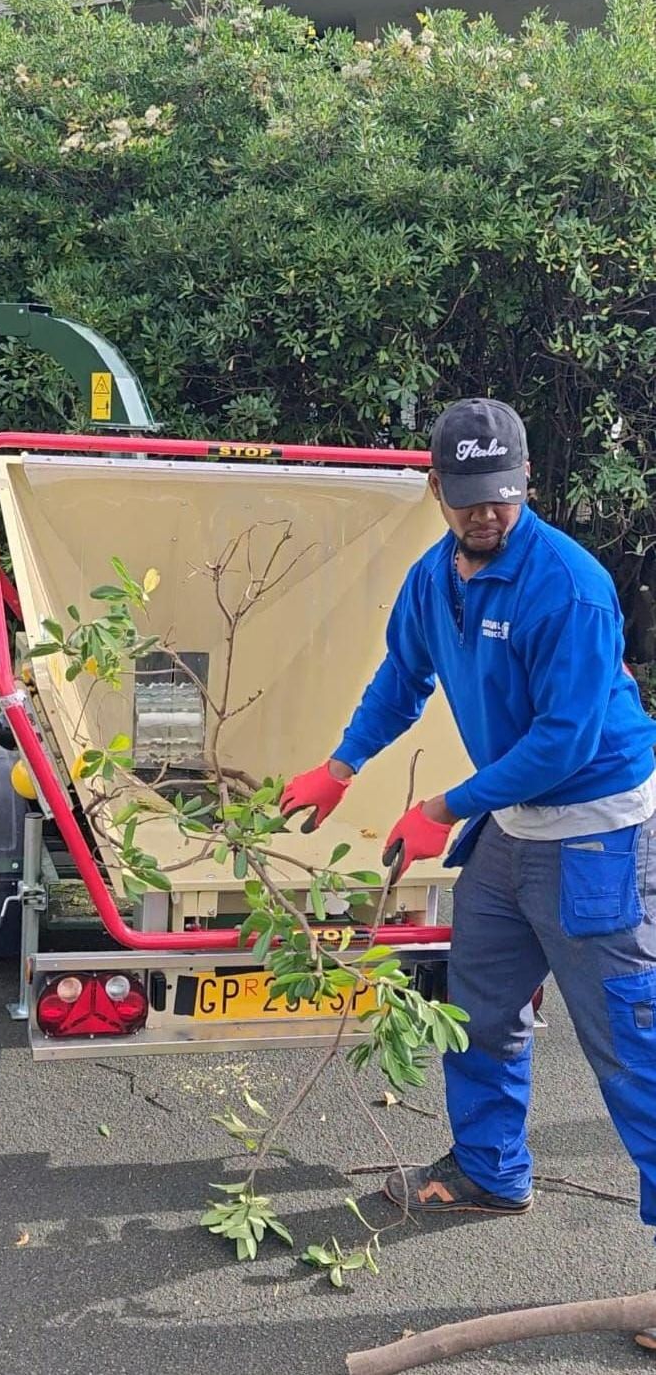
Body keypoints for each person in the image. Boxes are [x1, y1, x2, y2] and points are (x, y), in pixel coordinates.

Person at [280, 398, 656, 1354]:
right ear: (436, 489)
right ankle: (491, 1169)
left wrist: (440, 807)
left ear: (524, 482)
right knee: (476, 1001)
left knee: (628, 1044)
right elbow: (399, 679)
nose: (484, 514)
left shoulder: (567, 588)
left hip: (594, 836)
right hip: (509, 828)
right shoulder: (431, 581)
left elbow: (563, 742)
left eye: (501, 495)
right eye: (465, 498)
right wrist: (341, 764)